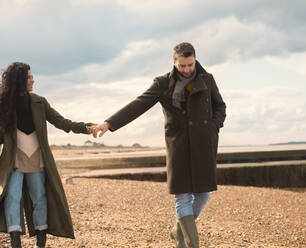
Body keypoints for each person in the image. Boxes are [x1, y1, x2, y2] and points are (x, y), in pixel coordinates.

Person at [92, 42, 226, 248]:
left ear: (195, 60)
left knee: (203, 195)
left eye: (190, 65)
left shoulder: (207, 79)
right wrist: (109, 123)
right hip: (178, 145)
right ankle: (189, 244)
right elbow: (139, 104)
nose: (187, 69)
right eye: (182, 65)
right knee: (182, 197)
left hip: (202, 144)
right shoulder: (163, 83)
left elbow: (220, 106)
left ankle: (177, 230)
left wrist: (213, 127)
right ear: (174, 62)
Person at [0, 62, 95, 248]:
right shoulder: (3, 104)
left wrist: (87, 128)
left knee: (40, 197)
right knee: (12, 196)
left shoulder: (39, 102)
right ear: (19, 80)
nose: (33, 79)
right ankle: (15, 240)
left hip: (37, 159)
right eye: (29, 77)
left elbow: (62, 122)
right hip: (13, 161)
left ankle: (41, 240)